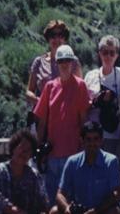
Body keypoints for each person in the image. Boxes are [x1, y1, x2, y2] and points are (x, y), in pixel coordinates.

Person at [34, 44, 91, 205]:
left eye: (67, 60)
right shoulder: (49, 87)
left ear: (73, 63)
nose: (64, 64)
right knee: (52, 202)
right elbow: (42, 121)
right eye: (61, 61)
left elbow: (83, 121)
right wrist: (38, 148)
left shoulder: (80, 86)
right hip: (52, 154)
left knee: (71, 202)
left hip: (73, 154)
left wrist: (84, 150)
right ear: (56, 64)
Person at [52, 121, 120, 214]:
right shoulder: (72, 162)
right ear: (82, 141)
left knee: (114, 211)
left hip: (101, 210)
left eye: (96, 139)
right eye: (88, 139)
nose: (92, 143)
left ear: (101, 140)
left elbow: (117, 193)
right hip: (78, 211)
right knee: (54, 211)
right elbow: (60, 194)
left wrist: (97, 210)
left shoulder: (111, 161)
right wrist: (67, 208)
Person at [0, 129, 48, 214]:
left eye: (28, 150)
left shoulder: (34, 176)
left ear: (31, 155)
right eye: (22, 147)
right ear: (14, 148)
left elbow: (43, 204)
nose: (24, 152)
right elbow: (1, 204)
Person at [27, 21, 82, 117]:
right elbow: (29, 91)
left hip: (66, 116)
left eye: (60, 35)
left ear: (65, 39)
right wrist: (41, 102)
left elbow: (80, 92)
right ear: (48, 38)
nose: (57, 39)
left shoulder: (73, 62)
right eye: (53, 35)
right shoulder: (39, 62)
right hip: (43, 116)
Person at [85, 35, 120, 160]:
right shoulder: (90, 76)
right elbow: (83, 105)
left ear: (117, 55)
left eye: (112, 53)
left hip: (114, 135)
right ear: (100, 54)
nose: (108, 56)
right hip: (92, 136)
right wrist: (95, 102)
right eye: (105, 52)